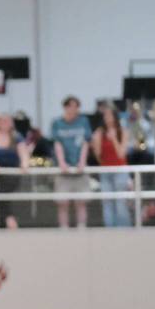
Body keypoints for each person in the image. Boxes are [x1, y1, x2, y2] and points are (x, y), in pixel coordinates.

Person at [50, 96, 92, 228]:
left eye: (76, 107)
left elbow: (86, 142)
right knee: (63, 203)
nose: (73, 109)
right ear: (65, 107)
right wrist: (62, 162)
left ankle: (82, 227)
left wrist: (82, 162)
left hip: (80, 169)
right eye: (70, 106)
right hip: (63, 171)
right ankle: (64, 229)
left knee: (81, 202)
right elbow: (57, 144)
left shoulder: (83, 121)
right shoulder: (57, 123)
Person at [0, 113, 31, 229]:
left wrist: (25, 164)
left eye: (7, 121)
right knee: (0, 197)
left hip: (12, 175)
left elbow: (23, 153)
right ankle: (8, 221)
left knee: (5, 197)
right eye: (2, 121)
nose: (4, 123)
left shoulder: (17, 137)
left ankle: (9, 220)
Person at [91, 107, 131, 227]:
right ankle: (110, 230)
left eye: (109, 115)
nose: (107, 118)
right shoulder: (99, 132)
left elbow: (121, 154)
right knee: (107, 202)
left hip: (120, 170)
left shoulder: (123, 131)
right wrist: (95, 145)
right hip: (105, 171)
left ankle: (124, 231)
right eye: (105, 116)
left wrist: (113, 138)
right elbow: (98, 157)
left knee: (120, 202)